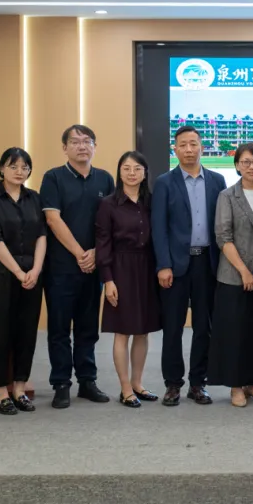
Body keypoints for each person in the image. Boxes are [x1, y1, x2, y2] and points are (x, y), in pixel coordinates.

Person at [40, 124, 115, 409]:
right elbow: (53, 219)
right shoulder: (53, 178)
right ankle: (61, 384)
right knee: (59, 329)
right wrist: (80, 253)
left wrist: (95, 253)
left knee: (87, 327)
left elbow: (110, 221)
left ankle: (87, 381)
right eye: (75, 142)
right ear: (65, 148)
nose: (82, 146)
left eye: (87, 141)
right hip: (60, 268)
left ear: (94, 146)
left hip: (93, 268)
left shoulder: (105, 179)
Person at [152, 125, 227, 406]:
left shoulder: (217, 180)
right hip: (175, 265)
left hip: (207, 263)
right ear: (175, 149)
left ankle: (198, 383)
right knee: (172, 327)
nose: (188, 149)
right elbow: (158, 228)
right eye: (182, 144)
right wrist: (163, 265)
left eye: (193, 144)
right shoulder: (164, 182)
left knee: (204, 327)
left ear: (202, 147)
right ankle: (173, 384)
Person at [0, 148, 46, 415]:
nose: (19, 171)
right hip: (1, 275)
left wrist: (36, 270)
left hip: (32, 276)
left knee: (27, 332)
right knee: (0, 333)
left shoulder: (34, 198)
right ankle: (0, 392)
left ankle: (19, 388)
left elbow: (41, 235)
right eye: (13, 166)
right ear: (1, 168)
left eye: (25, 167)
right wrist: (18, 272)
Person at [208, 143, 253, 407]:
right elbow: (223, 237)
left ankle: (251, 384)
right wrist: (245, 272)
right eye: (246, 162)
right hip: (233, 276)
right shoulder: (227, 196)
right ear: (237, 165)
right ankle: (236, 386)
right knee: (234, 332)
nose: (251, 166)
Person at [96, 151, 162, 409]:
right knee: (122, 331)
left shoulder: (152, 202)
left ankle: (137, 383)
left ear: (145, 173)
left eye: (137, 168)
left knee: (143, 330)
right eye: (126, 168)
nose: (132, 173)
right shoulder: (108, 204)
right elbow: (103, 243)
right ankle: (125, 388)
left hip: (147, 268)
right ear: (119, 172)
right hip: (120, 268)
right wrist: (108, 280)